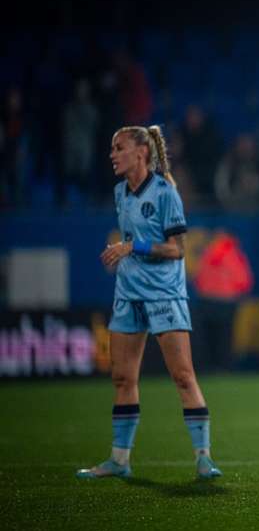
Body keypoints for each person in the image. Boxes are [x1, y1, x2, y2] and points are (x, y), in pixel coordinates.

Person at [77, 125, 222, 480]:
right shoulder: (119, 192)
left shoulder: (164, 192)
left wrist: (132, 247)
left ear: (141, 152)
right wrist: (124, 253)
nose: (112, 154)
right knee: (123, 378)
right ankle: (119, 460)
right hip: (128, 295)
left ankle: (203, 457)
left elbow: (177, 250)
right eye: (112, 148)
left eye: (119, 147)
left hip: (164, 295)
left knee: (183, 376)